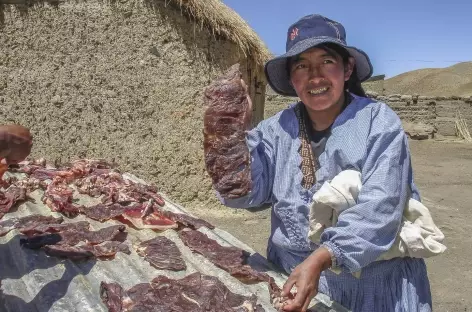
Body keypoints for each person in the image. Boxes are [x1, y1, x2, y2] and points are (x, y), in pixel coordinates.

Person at [208, 14, 433, 312]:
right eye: (301, 65)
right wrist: (231, 134)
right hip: (292, 282)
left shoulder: (379, 124)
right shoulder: (275, 130)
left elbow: (382, 207)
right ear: (291, 77)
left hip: (373, 288)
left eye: (326, 62)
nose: (315, 77)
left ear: (347, 68)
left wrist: (322, 258)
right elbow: (245, 195)